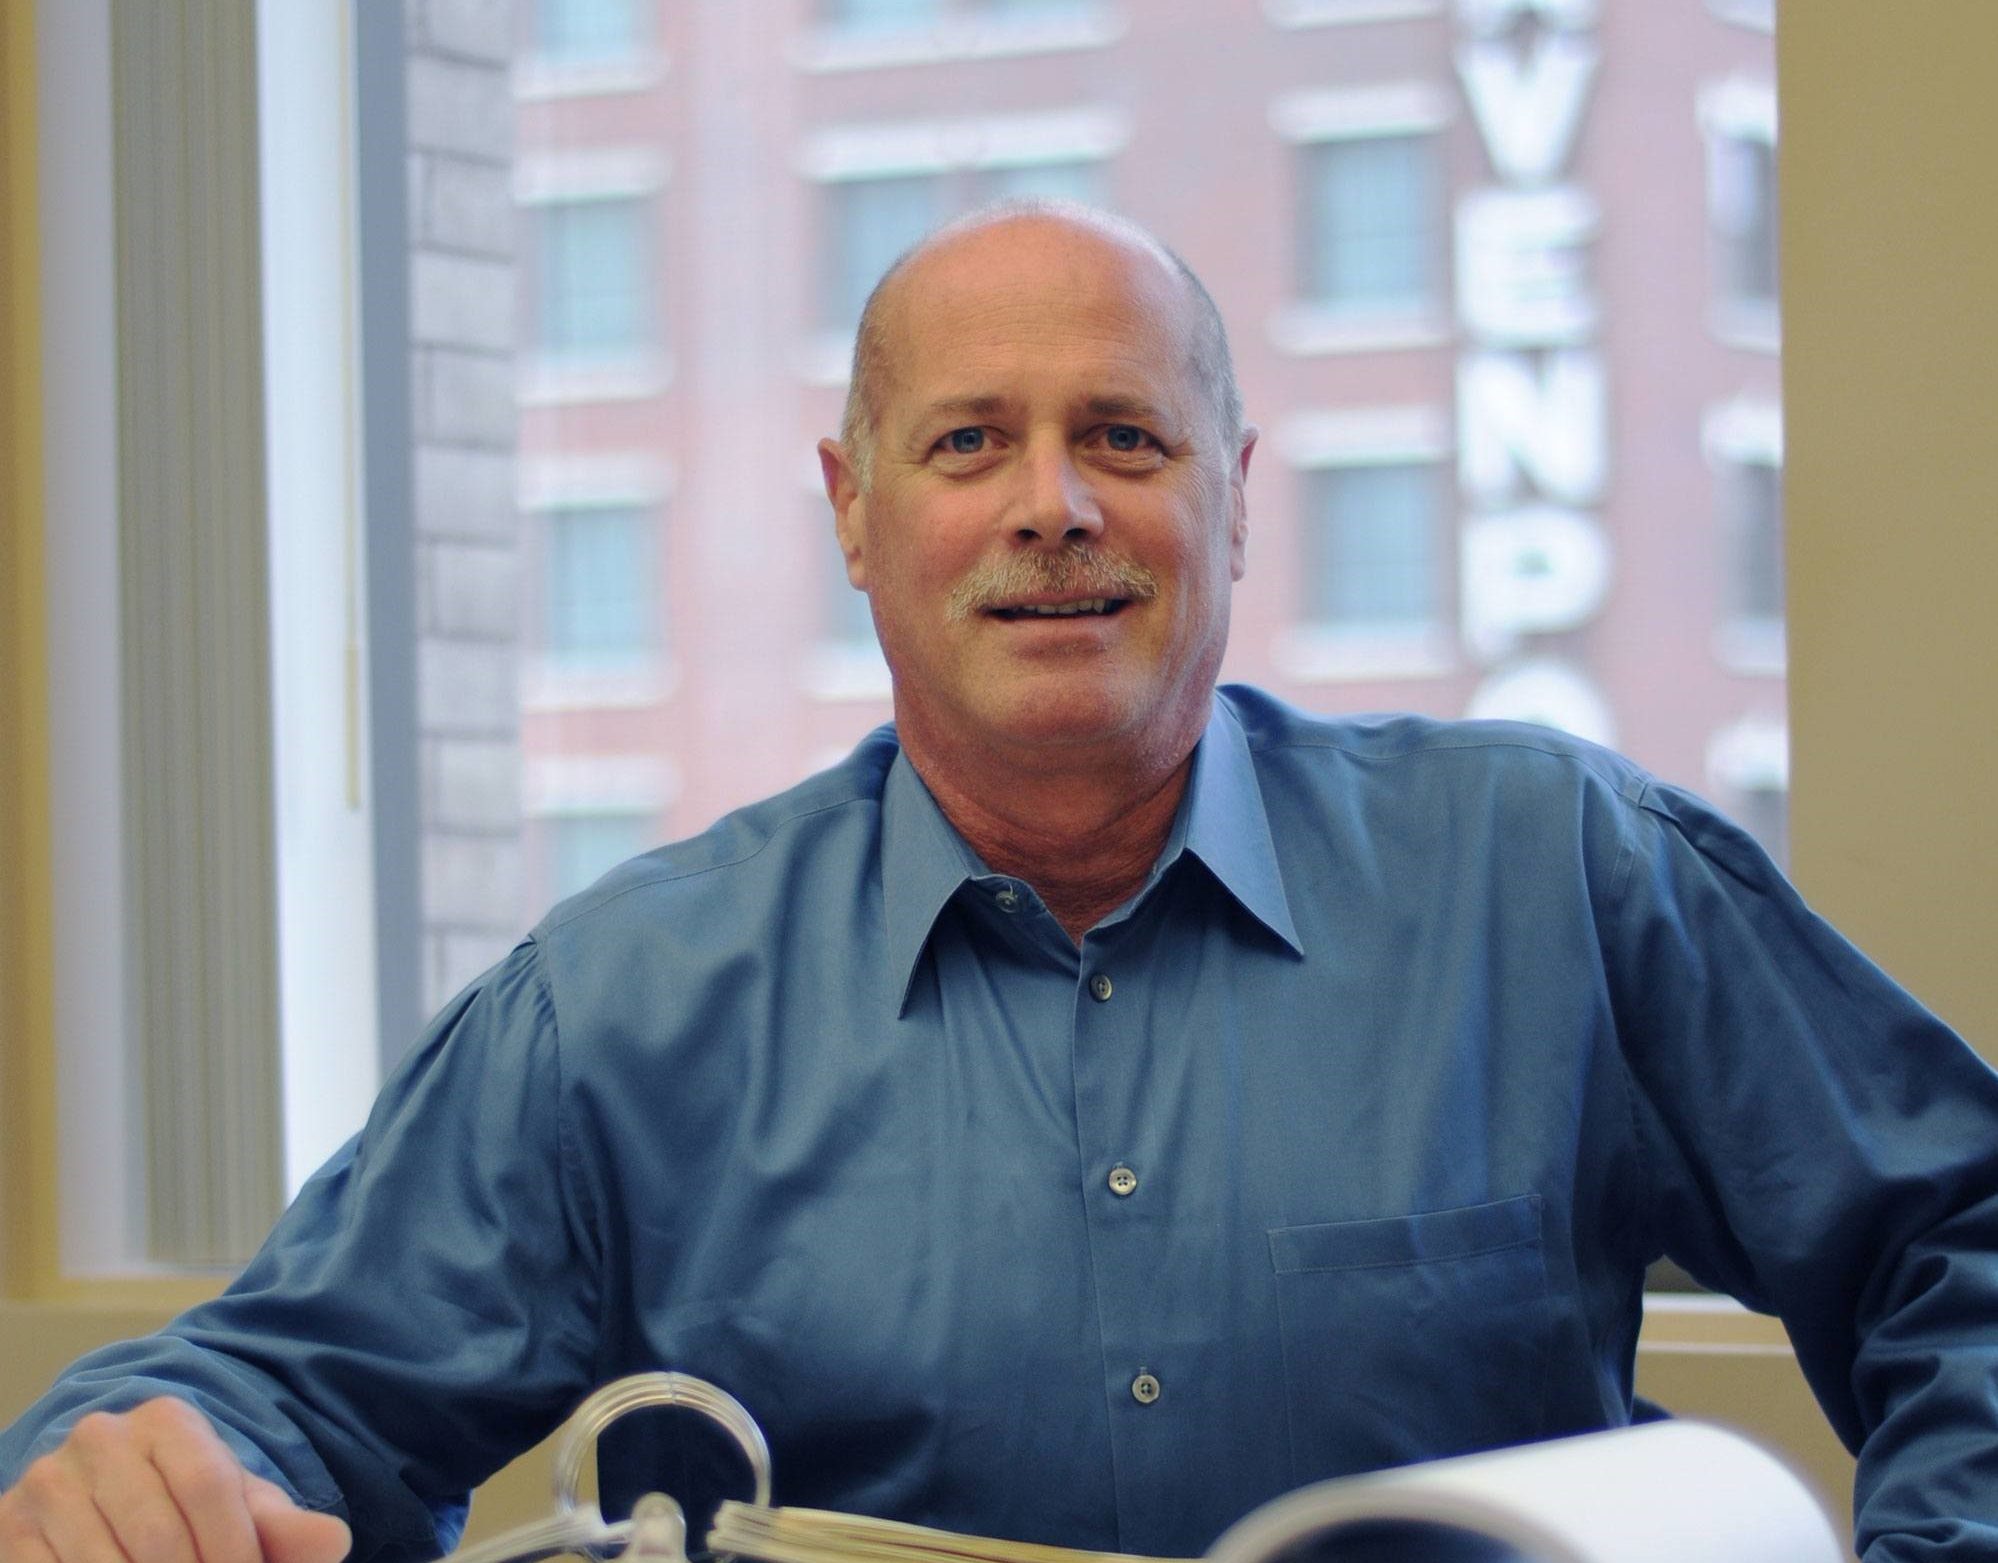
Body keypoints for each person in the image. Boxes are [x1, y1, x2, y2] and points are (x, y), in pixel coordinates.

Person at [4, 201, 1997, 1563]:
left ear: (1233, 495)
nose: (1053, 502)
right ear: (855, 513)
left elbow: (1960, 1235)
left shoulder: (1553, 871)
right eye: (972, 441)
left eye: (1123, 434)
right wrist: (137, 1467)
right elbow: (289, 1387)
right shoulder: (630, 996)